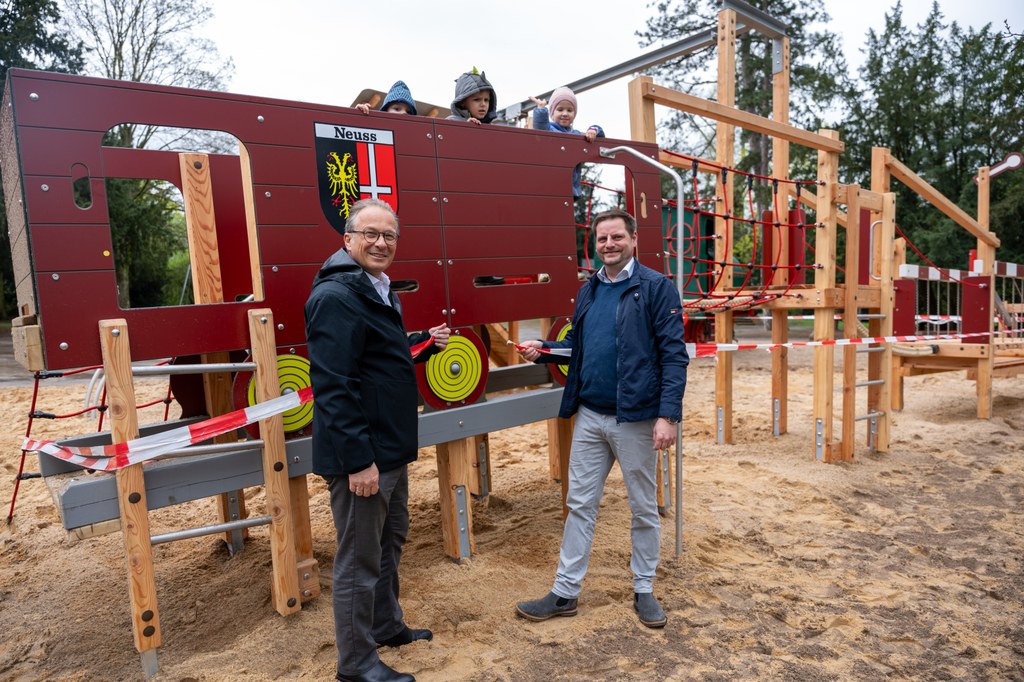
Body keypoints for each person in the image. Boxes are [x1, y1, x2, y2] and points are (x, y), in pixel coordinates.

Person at [514, 208, 689, 629]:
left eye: (616, 237)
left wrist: (668, 416)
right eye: (602, 239)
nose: (608, 245)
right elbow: (579, 347)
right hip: (590, 416)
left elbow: (674, 356)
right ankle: (565, 593)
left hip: (636, 419)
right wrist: (546, 348)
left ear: (633, 239)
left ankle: (644, 589)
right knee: (579, 505)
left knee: (643, 507)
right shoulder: (588, 289)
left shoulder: (656, 288)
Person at [305, 198, 450, 682]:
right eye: (370, 233)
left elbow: (375, 359)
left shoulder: (377, 289)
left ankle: (386, 626)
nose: (380, 242)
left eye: (389, 235)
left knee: (391, 541)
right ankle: (357, 664)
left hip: (388, 448)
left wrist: (422, 342)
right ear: (347, 239)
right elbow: (334, 385)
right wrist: (359, 460)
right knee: (359, 561)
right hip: (363, 457)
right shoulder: (336, 296)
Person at [529, 87, 606, 270]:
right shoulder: (549, 130)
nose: (565, 114)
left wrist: (593, 131)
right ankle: (545, 269)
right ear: (552, 112)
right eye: (560, 109)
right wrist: (540, 109)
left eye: (569, 110)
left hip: (568, 193)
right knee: (548, 232)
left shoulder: (577, 136)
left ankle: (566, 268)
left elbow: (600, 133)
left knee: (565, 233)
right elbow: (539, 127)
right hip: (549, 191)